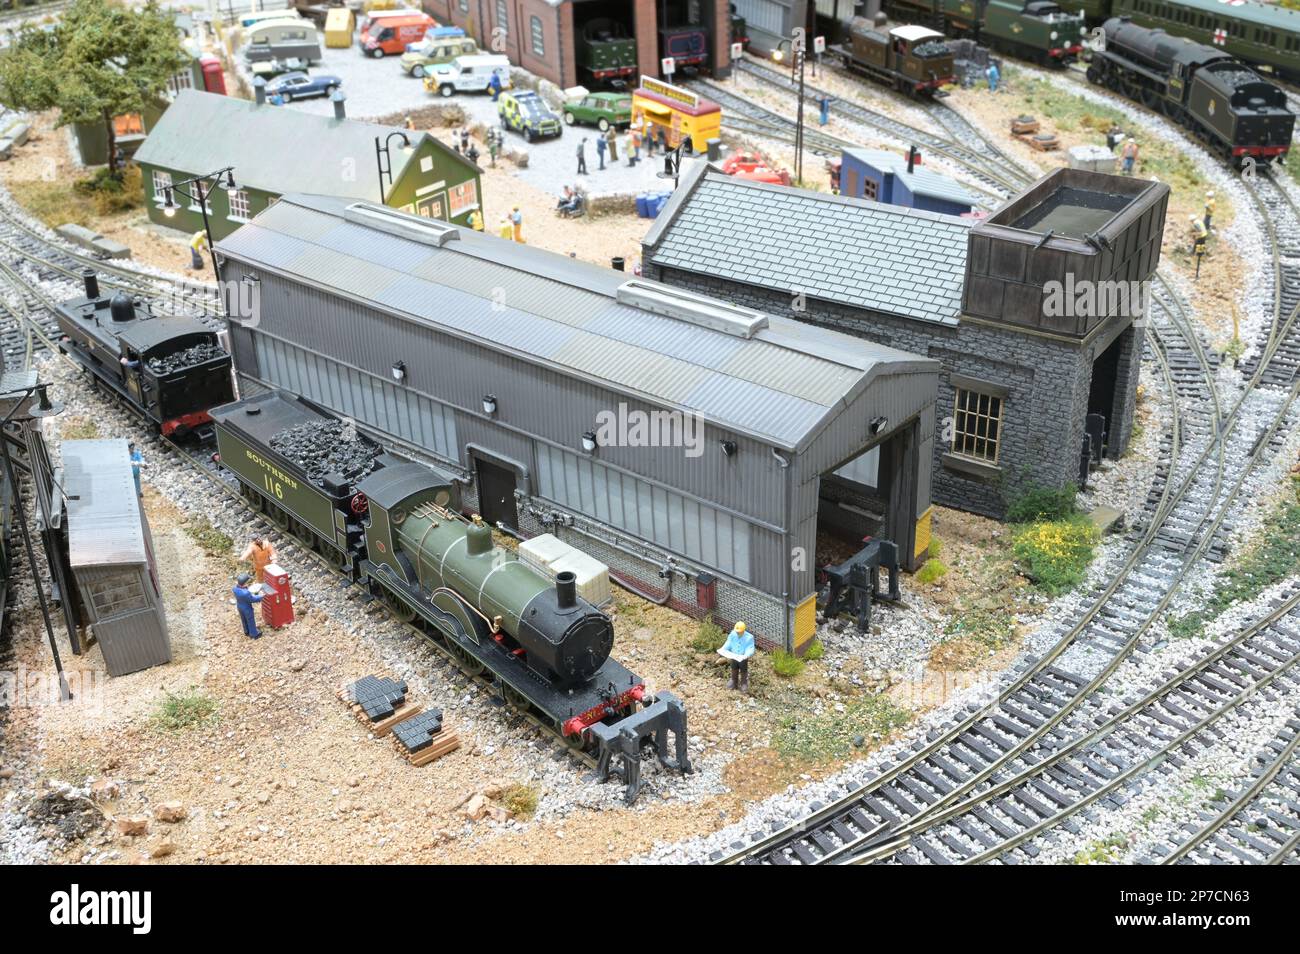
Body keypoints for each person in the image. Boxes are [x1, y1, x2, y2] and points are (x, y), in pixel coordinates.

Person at [718, 621, 755, 692]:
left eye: (739, 631)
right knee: (734, 668)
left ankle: (744, 683)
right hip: (734, 656)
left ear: (743, 630)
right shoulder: (732, 634)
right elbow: (728, 642)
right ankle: (733, 681)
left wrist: (746, 655)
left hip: (742, 658)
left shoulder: (749, 637)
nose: (738, 632)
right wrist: (723, 649)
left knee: (743, 670)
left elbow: (750, 648)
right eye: (737, 631)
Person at [233, 572, 264, 640]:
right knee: (250, 620)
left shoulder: (235, 588)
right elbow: (253, 599)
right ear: (245, 583)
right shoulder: (245, 593)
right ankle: (254, 634)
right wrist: (261, 596)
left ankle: (246, 631)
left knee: (244, 619)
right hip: (247, 608)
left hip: (239, 606)